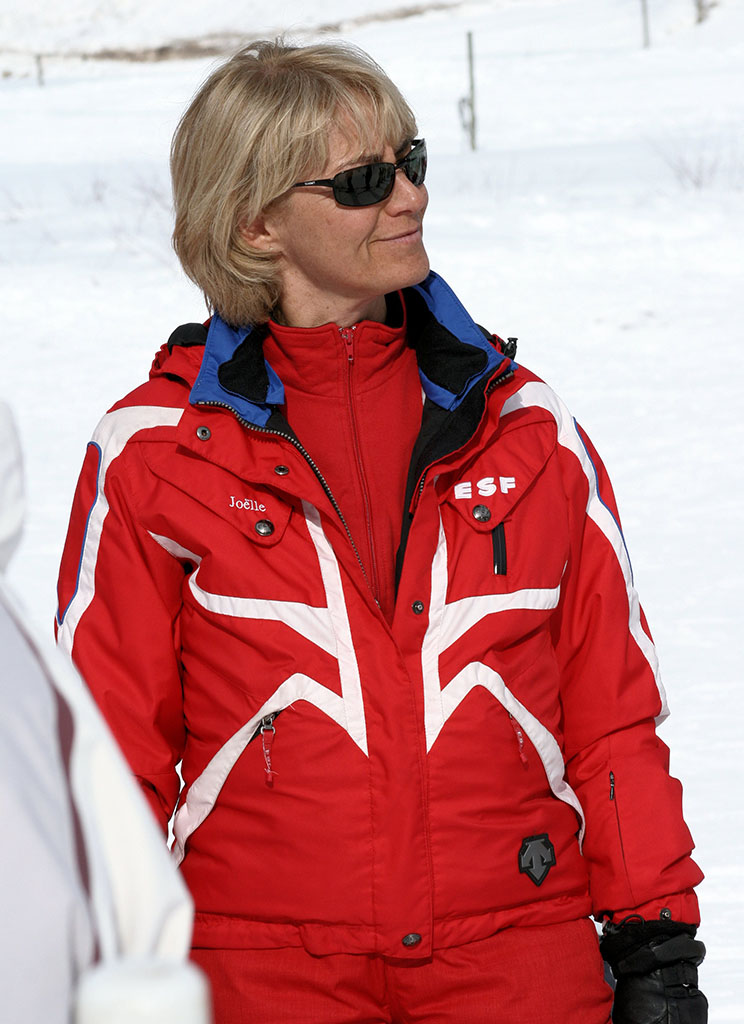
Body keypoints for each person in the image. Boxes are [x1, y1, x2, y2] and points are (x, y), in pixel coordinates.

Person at [55, 39, 707, 1024]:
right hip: (257, 976)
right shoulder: (156, 452)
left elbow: (611, 712)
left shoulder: (528, 430)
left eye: (413, 163)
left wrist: (657, 942)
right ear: (255, 221)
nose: (408, 198)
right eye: (364, 181)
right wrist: (98, 965)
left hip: (518, 966)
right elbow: (107, 757)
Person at [0, 401, 210, 1023]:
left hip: (495, 965)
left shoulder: (508, 413)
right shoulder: (153, 443)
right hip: (258, 967)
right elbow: (119, 744)